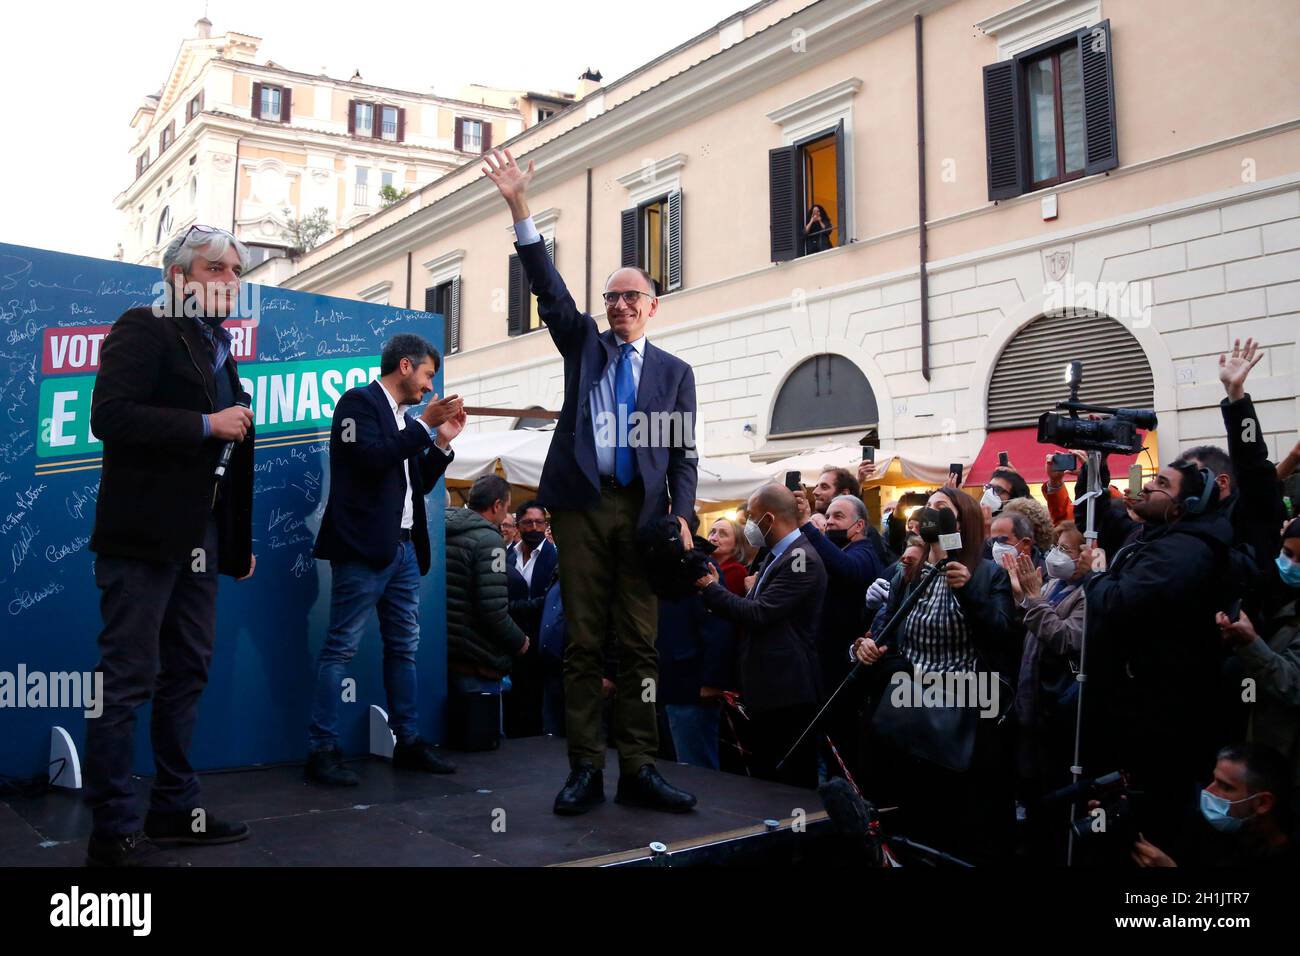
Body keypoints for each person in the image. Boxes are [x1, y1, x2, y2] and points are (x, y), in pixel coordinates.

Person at [484, 147, 698, 815]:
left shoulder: (672, 373)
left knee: (639, 645)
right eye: (612, 296)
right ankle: (583, 768)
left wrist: (684, 513)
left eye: (632, 295)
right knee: (581, 641)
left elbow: (683, 455)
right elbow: (548, 288)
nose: (620, 304)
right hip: (578, 507)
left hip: (641, 515)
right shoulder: (585, 344)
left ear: (653, 306)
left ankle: (637, 766)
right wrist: (521, 208)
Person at [84, 225, 258, 866]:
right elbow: (110, 416)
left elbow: (229, 455)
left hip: (202, 541)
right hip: (141, 536)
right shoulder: (144, 325)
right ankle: (112, 828)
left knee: (187, 672)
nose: (230, 282)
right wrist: (204, 423)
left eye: (235, 271)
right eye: (216, 269)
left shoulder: (219, 349)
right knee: (126, 680)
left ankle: (175, 809)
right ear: (180, 278)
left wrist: (235, 543)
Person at [306, 334, 465, 786]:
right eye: (428, 375)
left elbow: (417, 481)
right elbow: (369, 460)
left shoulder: (403, 418)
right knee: (340, 647)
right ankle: (322, 750)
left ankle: (409, 742)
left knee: (404, 649)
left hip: (404, 551)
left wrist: (441, 442)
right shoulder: (356, 404)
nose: (430, 388)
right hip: (362, 549)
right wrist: (421, 428)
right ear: (404, 366)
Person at [854, 486, 1017, 865]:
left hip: (958, 715)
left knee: (953, 830)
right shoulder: (908, 575)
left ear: (964, 522)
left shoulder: (986, 573)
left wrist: (965, 587)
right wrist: (864, 649)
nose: (932, 514)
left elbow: (999, 636)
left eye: (942, 509)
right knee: (909, 824)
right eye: (929, 509)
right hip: (907, 712)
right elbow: (887, 636)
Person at [1080, 459, 1236, 853]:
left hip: (1160, 719)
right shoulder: (1151, 534)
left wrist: (1094, 574)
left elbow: (1118, 603)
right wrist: (1093, 462)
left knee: (1150, 819)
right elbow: (1099, 513)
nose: (1148, 487)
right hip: (1134, 706)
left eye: (1161, 483)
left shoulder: (1184, 551)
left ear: (1184, 506)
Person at [695, 483, 828, 788]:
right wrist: (718, 588)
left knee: (792, 782)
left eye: (752, 518)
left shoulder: (800, 558)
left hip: (788, 689)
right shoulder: (775, 556)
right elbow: (752, 607)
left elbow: (759, 614)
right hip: (768, 688)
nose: (749, 527)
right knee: (768, 779)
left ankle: (799, 833)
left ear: (769, 519)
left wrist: (710, 589)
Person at [1006, 520, 1090, 860]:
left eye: (1066, 549)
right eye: (1055, 546)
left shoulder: (1086, 595)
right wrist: (1023, 597)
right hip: (1029, 704)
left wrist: (1033, 598)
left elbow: (1066, 639)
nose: (1057, 555)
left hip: (1056, 710)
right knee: (1028, 786)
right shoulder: (1055, 582)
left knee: (1052, 791)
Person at [1175, 337, 1287, 582]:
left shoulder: (1248, 512)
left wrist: (1237, 398)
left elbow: (1252, 461)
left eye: (1195, 476)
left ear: (1221, 482)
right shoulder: (1183, 521)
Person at [796, 492, 883, 775]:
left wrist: (807, 525)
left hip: (846, 671)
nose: (830, 523)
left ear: (858, 526)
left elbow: (846, 570)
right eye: (828, 516)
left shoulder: (865, 553)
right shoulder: (841, 551)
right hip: (824, 666)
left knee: (842, 749)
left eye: (839, 517)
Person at [1216, 518, 1300, 803]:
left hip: (1285, 752)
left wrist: (1251, 643)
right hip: (1257, 733)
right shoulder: (1276, 594)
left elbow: (1290, 684)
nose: (1291, 564)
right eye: (1288, 554)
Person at [445, 475, 532, 744]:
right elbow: (492, 610)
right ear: (496, 505)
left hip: (448, 654)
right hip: (478, 659)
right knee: (485, 744)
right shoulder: (488, 540)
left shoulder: (444, 530)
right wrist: (520, 642)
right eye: (507, 507)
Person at [1130, 744, 1296, 868]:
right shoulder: (1214, 826)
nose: (1208, 792)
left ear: (1262, 803)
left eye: (1226, 787)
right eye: (1214, 780)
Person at [504, 499, 560, 737]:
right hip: (511, 640)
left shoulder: (555, 556)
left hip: (541, 642)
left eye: (539, 522)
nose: (535, 528)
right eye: (528, 523)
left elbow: (551, 600)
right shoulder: (505, 555)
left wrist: (512, 607)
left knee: (537, 704)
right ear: (518, 525)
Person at [707, 517, 752, 595]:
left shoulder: (736, 571)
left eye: (722, 534)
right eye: (712, 532)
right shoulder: (703, 563)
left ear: (736, 544)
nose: (713, 538)